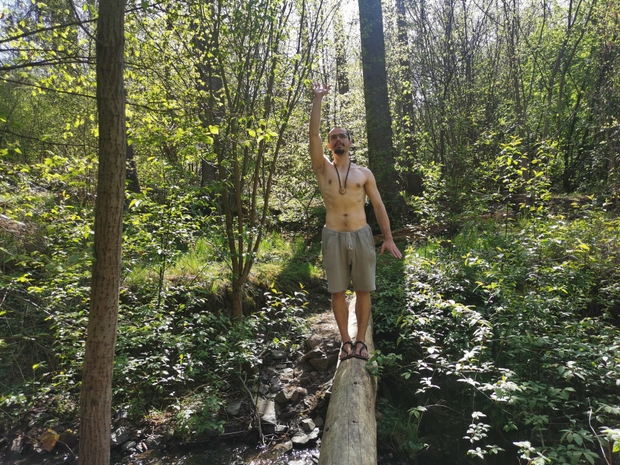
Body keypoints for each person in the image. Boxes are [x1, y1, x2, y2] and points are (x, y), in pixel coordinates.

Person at [309, 82, 402, 361]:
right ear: (329, 145)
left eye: (342, 137)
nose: (338, 140)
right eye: (333, 138)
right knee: (338, 292)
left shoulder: (364, 173)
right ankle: (345, 342)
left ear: (350, 142)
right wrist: (318, 99)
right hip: (333, 235)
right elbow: (312, 133)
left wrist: (388, 238)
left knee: (363, 290)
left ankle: (361, 341)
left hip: (362, 235)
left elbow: (378, 205)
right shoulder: (322, 168)